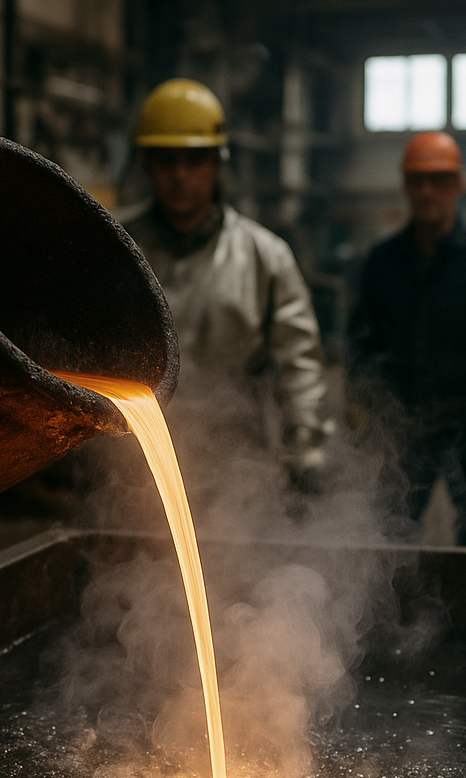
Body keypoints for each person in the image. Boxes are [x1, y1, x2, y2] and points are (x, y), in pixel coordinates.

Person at [121, 78, 331, 490]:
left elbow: (299, 364)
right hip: (131, 475)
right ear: (147, 166)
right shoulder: (116, 248)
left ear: (218, 163)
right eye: (166, 160)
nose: (180, 175)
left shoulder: (264, 258)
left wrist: (305, 449)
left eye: (193, 160)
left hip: (236, 475)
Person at [348, 131, 466, 547]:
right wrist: (360, 401)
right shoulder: (382, 263)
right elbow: (362, 341)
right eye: (418, 180)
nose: (428, 191)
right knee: (392, 540)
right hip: (405, 430)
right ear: (405, 186)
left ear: (459, 185)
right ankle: (399, 612)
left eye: (440, 180)